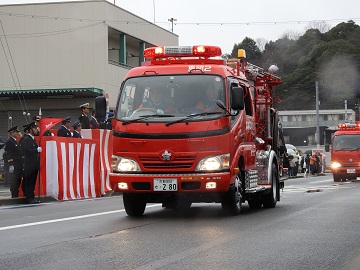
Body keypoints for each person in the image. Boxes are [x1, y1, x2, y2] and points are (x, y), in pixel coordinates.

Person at [21, 122, 41, 204]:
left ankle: (31, 197)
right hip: (29, 165)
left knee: (32, 182)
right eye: (34, 128)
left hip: (34, 165)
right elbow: (27, 151)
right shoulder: (26, 139)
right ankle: (29, 197)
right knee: (29, 181)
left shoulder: (32, 139)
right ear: (30, 130)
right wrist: (36, 150)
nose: (36, 130)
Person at [4, 126, 23, 198]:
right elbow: (9, 154)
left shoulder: (15, 141)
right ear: (11, 133)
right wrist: (11, 164)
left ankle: (16, 195)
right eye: (16, 132)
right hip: (14, 165)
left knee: (17, 181)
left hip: (18, 165)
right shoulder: (10, 142)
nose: (17, 133)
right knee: (14, 182)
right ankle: (14, 196)